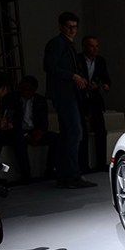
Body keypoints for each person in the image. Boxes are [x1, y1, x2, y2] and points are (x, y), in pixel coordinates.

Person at [43, 11, 96, 189]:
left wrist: (77, 77)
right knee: (74, 133)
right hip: (63, 94)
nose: (72, 30)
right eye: (69, 27)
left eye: (74, 27)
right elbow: (49, 66)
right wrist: (73, 76)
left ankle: (66, 175)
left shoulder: (66, 44)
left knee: (69, 134)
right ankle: (71, 175)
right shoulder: (58, 43)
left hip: (68, 94)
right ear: (61, 27)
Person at [0, 76, 58, 184]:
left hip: (33, 131)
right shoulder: (11, 99)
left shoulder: (40, 101)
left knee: (56, 138)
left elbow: (44, 122)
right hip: (17, 132)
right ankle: (26, 175)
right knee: (19, 141)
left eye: (26, 89)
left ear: (33, 90)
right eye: (20, 88)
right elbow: (9, 120)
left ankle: (50, 170)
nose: (22, 91)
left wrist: (39, 133)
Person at [77, 35, 111, 171]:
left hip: (95, 99)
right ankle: (83, 165)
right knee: (82, 133)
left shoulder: (100, 60)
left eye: (97, 46)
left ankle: (101, 163)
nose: (95, 49)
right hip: (81, 99)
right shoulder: (78, 59)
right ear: (84, 47)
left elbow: (106, 78)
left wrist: (104, 85)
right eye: (91, 46)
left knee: (101, 131)